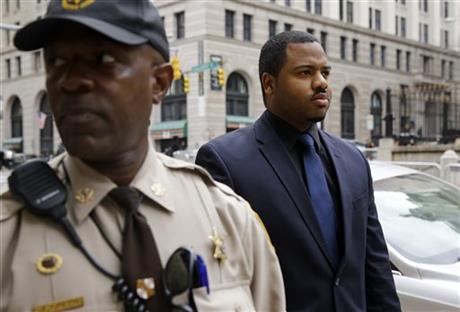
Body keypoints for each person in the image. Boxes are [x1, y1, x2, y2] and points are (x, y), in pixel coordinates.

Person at [0, 1, 285, 311]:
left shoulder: (229, 218)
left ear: (160, 82)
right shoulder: (8, 235)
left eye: (103, 59)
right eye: (56, 62)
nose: (70, 81)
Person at [196, 31, 401, 311]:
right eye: (305, 73)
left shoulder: (353, 160)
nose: (321, 83)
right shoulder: (223, 161)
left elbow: (375, 266)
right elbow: (222, 283)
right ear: (269, 84)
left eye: (325, 72)